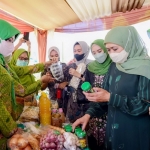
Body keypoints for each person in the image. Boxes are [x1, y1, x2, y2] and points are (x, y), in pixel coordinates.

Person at [73, 26, 150, 150]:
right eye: (108, 50)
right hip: (114, 131)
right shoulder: (114, 67)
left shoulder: (145, 68)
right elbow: (104, 98)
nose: (112, 54)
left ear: (129, 44)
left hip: (134, 132)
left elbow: (145, 105)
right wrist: (88, 115)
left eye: (115, 49)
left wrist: (110, 97)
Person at [0, 19, 52, 149]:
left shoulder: (4, 65)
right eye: (9, 40)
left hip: (8, 123)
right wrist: (11, 127)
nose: (12, 46)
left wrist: (40, 80)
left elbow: (20, 90)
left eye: (13, 41)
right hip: (4, 126)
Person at [85, 39, 111, 150]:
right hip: (94, 110)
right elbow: (86, 83)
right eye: (94, 53)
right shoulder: (91, 67)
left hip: (111, 111)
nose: (97, 55)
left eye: (99, 51)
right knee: (94, 142)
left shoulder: (114, 66)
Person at [64, 41, 92, 123]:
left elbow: (92, 84)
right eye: (75, 51)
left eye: (79, 51)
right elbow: (65, 80)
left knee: (84, 131)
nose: (76, 53)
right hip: (73, 104)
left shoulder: (91, 65)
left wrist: (79, 75)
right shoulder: (72, 65)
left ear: (85, 51)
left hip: (86, 104)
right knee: (72, 128)